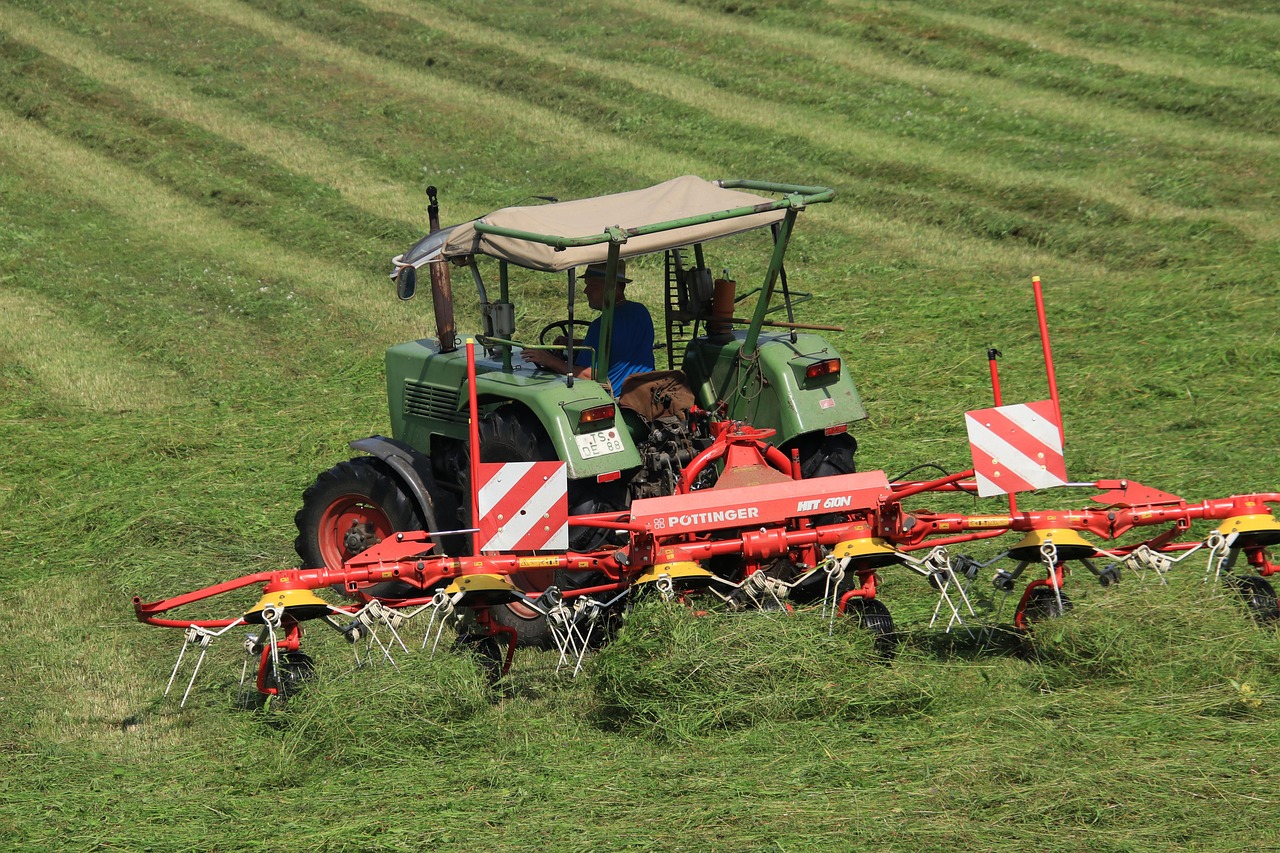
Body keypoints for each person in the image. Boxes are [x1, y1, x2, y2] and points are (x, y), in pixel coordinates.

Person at [522, 260, 655, 392]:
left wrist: (548, 359)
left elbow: (588, 375)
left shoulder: (600, 326)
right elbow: (619, 347)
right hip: (643, 391)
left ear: (613, 288)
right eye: (587, 284)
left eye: (594, 285)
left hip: (613, 395)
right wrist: (575, 343)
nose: (586, 291)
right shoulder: (640, 311)